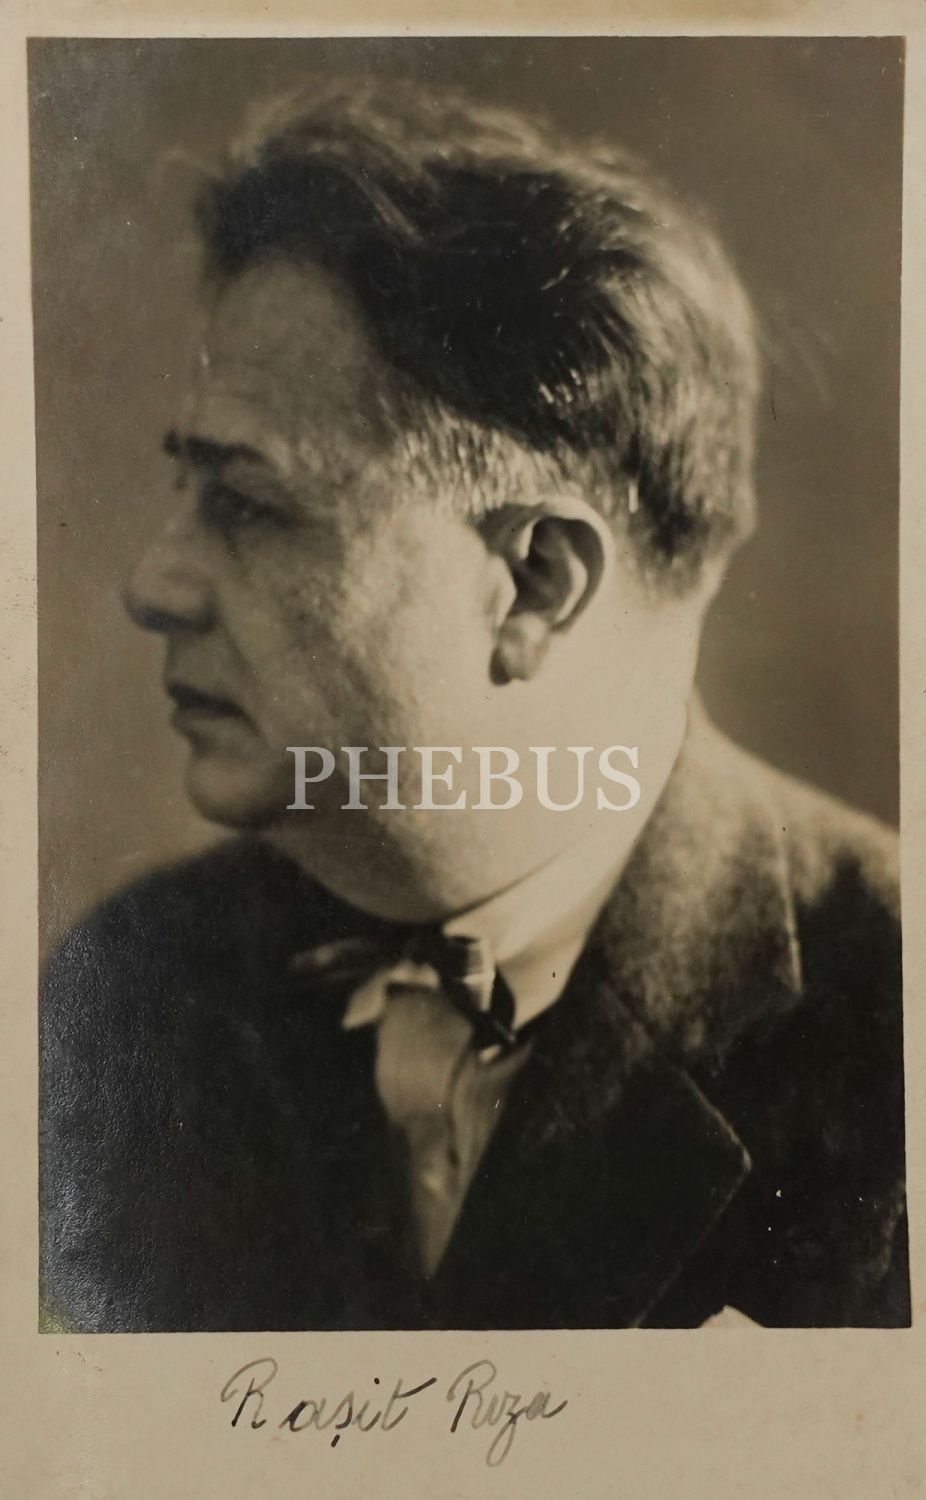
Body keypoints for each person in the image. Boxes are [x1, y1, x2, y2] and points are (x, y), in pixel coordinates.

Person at [39, 82, 907, 1331]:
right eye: (186, 490)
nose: (151, 584)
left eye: (250, 504)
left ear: (535, 584)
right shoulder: (131, 987)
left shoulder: (890, 1026)